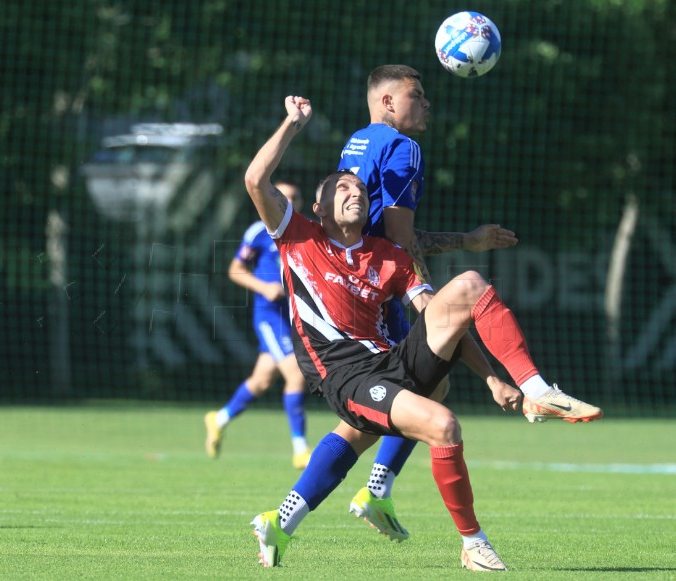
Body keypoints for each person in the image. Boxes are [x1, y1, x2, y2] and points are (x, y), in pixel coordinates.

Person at [245, 96, 603, 571]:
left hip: (388, 361)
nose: (355, 191)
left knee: (470, 285)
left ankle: (536, 389)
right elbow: (255, 180)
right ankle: (472, 543)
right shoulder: (299, 236)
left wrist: (494, 379)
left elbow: (443, 320)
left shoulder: (389, 256)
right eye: (343, 187)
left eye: (360, 188)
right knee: (442, 424)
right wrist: (292, 123)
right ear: (319, 206)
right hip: (344, 375)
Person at [337, 64, 604, 541]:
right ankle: (303, 511)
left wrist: (466, 240)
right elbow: (400, 238)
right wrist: (422, 294)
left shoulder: (356, 142)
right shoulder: (403, 147)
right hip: (383, 294)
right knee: (388, 405)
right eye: (416, 95)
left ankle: (362, 495)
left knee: (418, 394)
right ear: (387, 103)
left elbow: (386, 234)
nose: (427, 104)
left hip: (357, 288)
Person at [204, 181, 312, 469]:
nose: (289, 201)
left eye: (295, 196)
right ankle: (300, 449)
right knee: (296, 374)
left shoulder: (305, 233)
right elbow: (235, 270)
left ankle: (220, 418)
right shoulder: (259, 232)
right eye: (283, 196)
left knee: (263, 380)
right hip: (270, 317)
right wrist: (264, 287)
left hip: (294, 317)